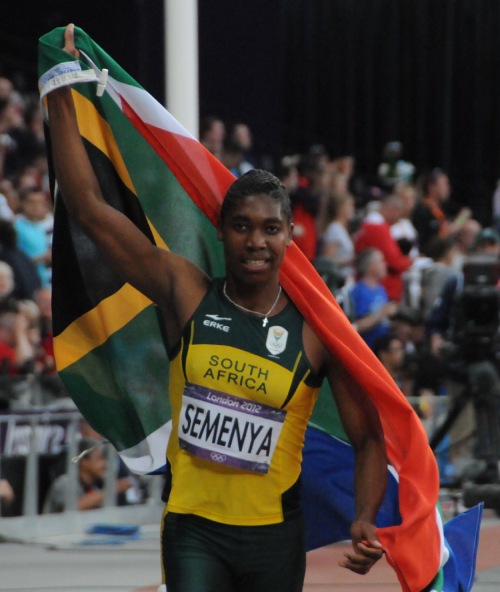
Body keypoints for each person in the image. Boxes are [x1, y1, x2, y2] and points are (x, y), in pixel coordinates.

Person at [45, 24, 387, 591]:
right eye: (243, 227)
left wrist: (365, 516)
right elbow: (89, 210)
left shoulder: (315, 331)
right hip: (193, 530)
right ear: (221, 231)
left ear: (290, 236)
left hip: (275, 540)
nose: (256, 242)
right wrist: (61, 85)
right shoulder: (187, 291)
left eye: (270, 229)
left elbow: (370, 437)